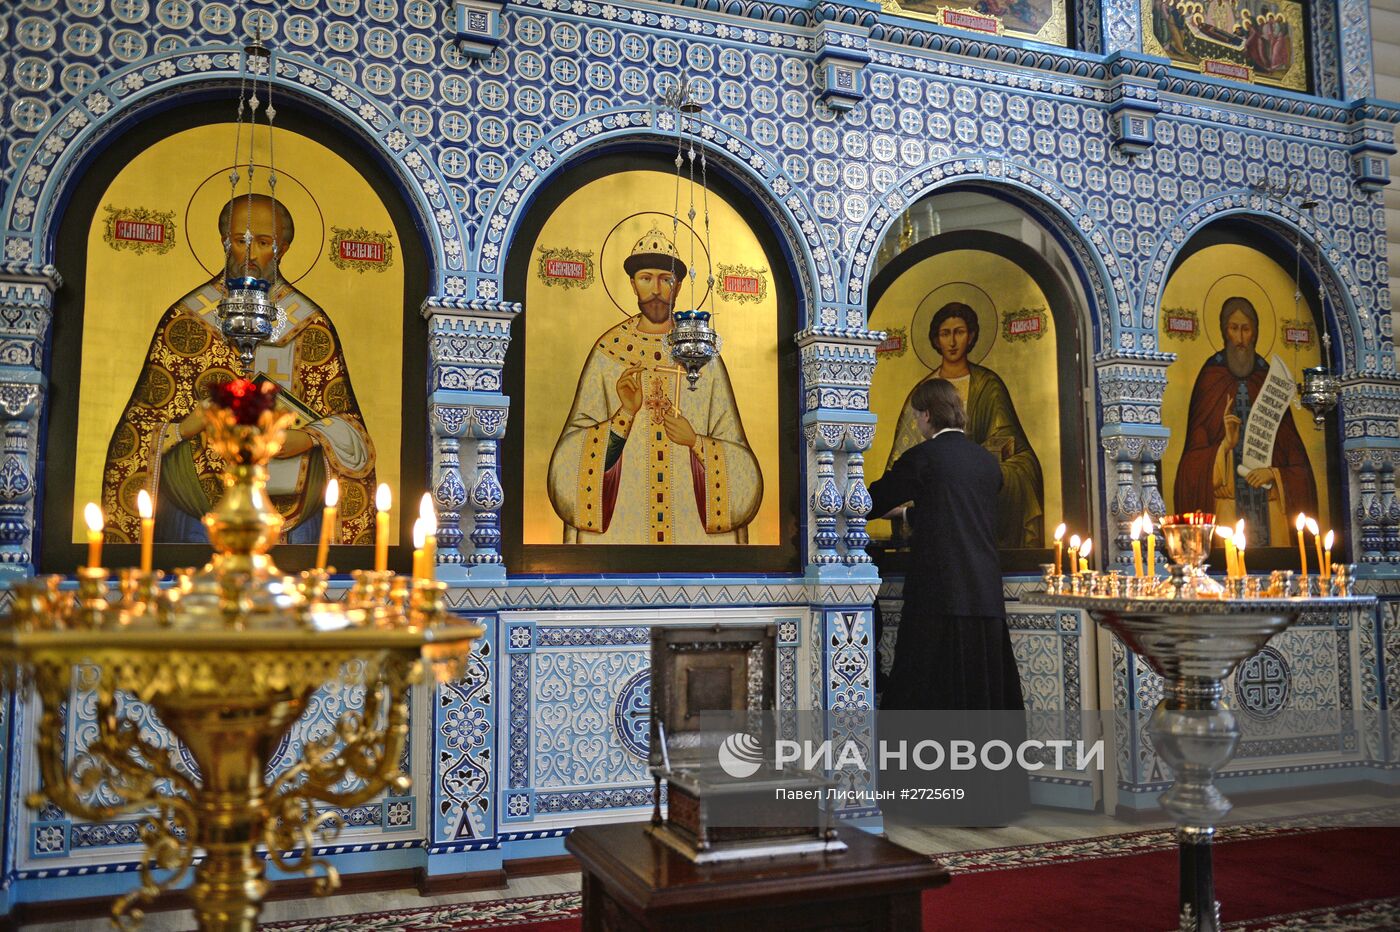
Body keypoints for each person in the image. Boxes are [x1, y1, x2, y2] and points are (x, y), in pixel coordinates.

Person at [101, 193, 377, 545]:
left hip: (291, 521)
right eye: (239, 240)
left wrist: (308, 438)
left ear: (283, 248)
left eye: (263, 242)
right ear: (223, 242)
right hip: (199, 516)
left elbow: (350, 428)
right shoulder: (187, 319)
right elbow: (136, 434)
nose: (249, 254)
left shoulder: (309, 324)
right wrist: (186, 427)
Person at [547, 228, 762, 544]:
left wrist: (696, 443)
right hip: (617, 537)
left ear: (678, 286)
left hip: (697, 543)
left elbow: (742, 467)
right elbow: (566, 469)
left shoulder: (702, 355)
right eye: (646, 278)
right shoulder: (609, 353)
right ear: (633, 283)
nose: (657, 289)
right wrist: (624, 417)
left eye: (667, 279)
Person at [869, 378, 1025, 712]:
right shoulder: (986, 462)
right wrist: (912, 512)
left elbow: (869, 503)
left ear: (926, 414)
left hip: (938, 594)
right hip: (984, 594)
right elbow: (959, 511)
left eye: (916, 415)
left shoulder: (923, 457)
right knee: (981, 695)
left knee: (928, 691)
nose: (915, 421)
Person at [885, 302, 1043, 548]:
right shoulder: (922, 393)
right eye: (945, 333)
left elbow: (1016, 450)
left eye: (959, 332)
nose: (952, 341)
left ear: (971, 336)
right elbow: (901, 454)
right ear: (935, 339)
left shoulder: (988, 386)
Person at [1174, 296, 1317, 547]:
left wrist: (1274, 474)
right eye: (1234, 328)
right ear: (1223, 331)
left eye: (1246, 329)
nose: (1240, 338)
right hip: (1226, 513)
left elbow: (1298, 463)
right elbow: (1190, 465)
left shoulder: (1268, 379)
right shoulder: (1211, 377)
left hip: (1272, 511)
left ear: (1255, 332)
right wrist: (1224, 448)